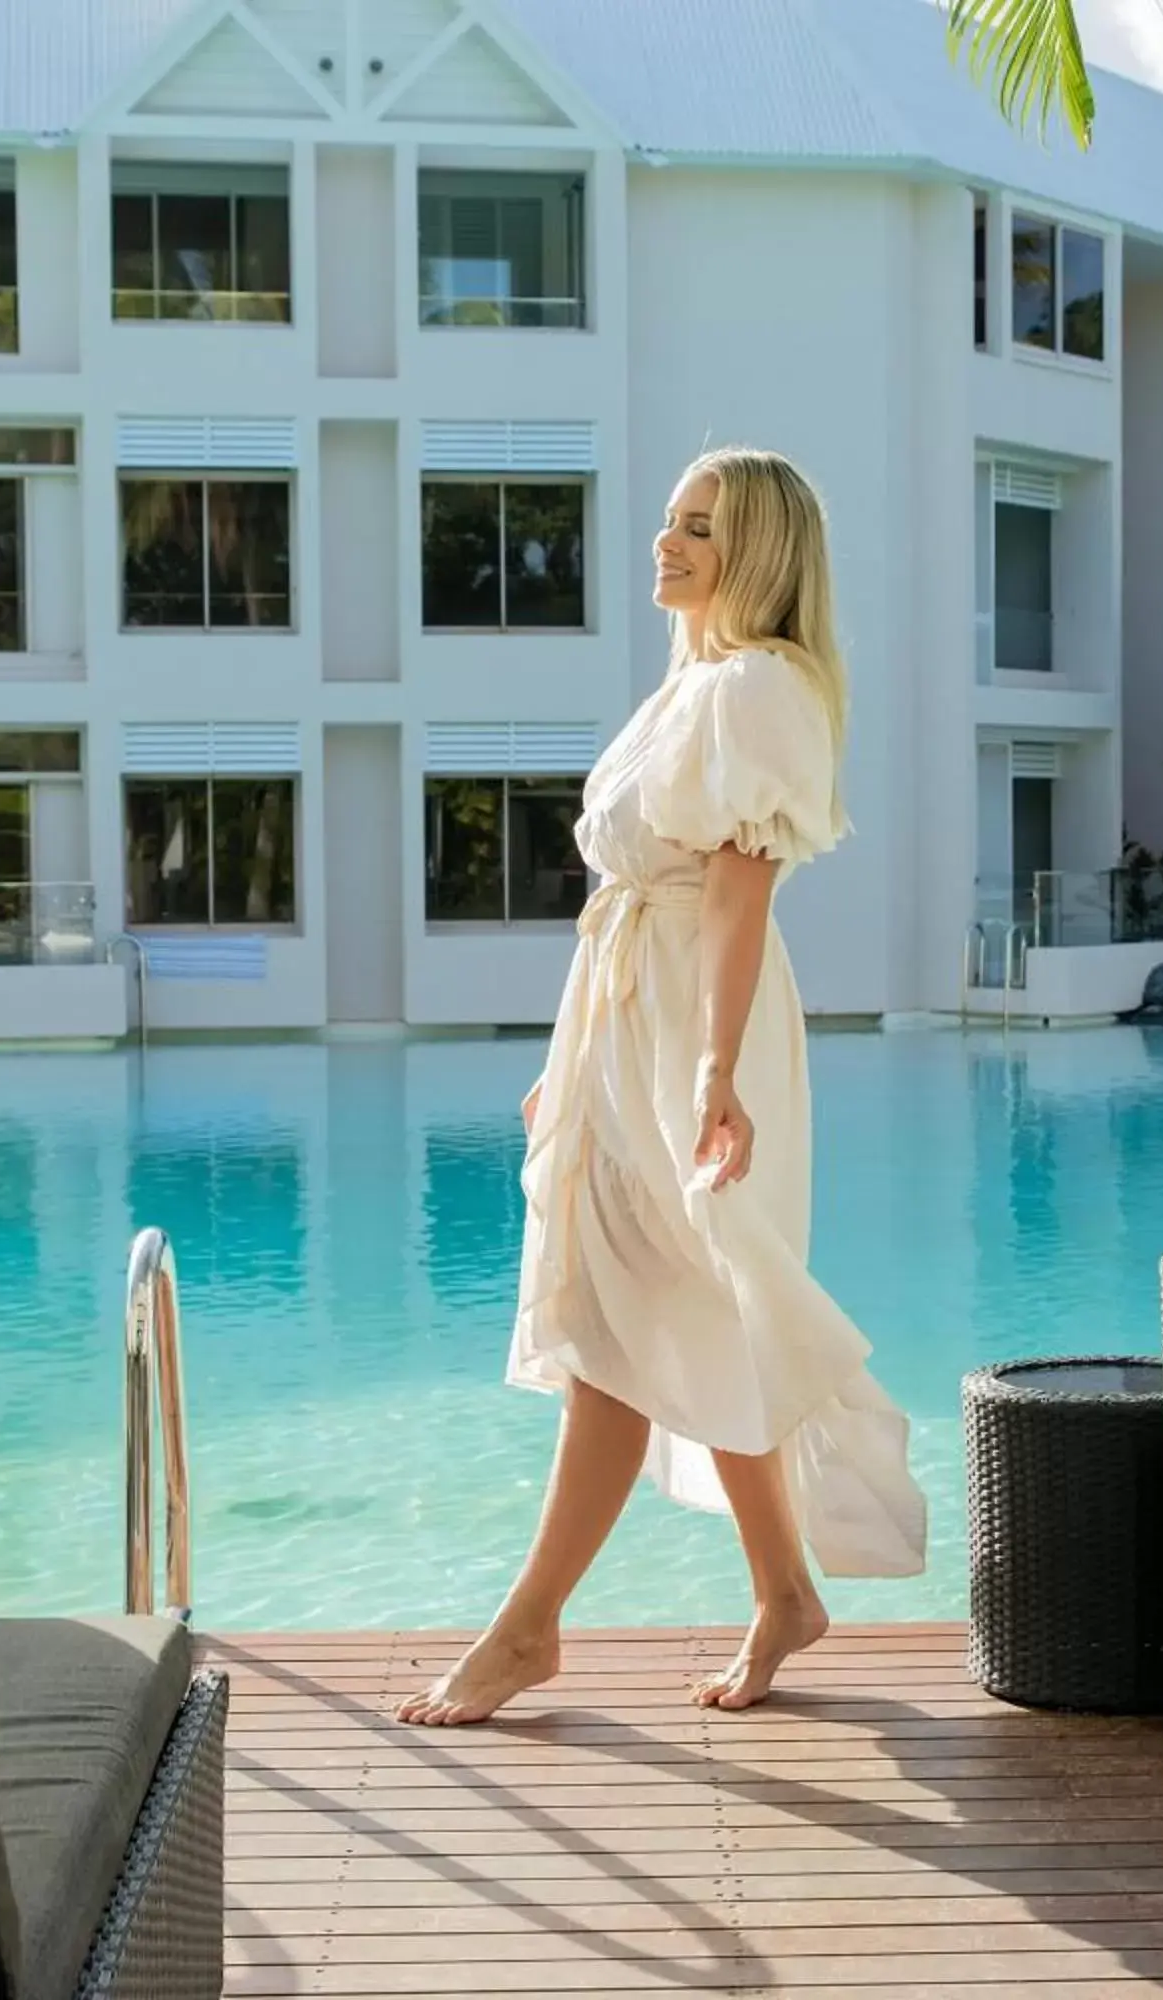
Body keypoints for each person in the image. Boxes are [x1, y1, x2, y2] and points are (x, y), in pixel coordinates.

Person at [398, 447, 928, 1727]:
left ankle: (529, 1627)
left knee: (624, 1326)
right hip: (631, 1020)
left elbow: (738, 889)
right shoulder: (697, 684)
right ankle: (784, 1588)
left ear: (755, 553)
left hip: (699, 1020)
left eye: (701, 527)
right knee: (682, 1309)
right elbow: (626, 902)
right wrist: (564, 1072)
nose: (666, 540)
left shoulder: (755, 689)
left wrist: (710, 1071)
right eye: (671, 518)